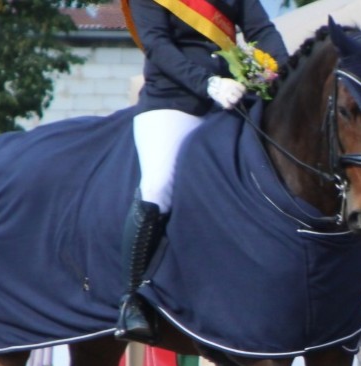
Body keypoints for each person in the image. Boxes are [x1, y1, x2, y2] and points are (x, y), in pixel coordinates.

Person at [115, 0, 289, 343]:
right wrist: (208, 83)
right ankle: (132, 299)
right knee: (158, 186)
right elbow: (156, 44)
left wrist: (286, 72)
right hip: (173, 101)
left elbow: (261, 30)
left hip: (232, 101)